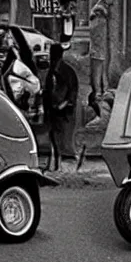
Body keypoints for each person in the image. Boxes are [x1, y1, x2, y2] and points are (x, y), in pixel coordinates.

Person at [44, 43, 79, 171]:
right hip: (53, 111)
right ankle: (55, 165)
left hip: (64, 112)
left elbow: (72, 94)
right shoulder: (51, 71)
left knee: (63, 139)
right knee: (53, 138)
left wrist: (62, 106)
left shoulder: (67, 72)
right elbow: (48, 90)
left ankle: (64, 166)